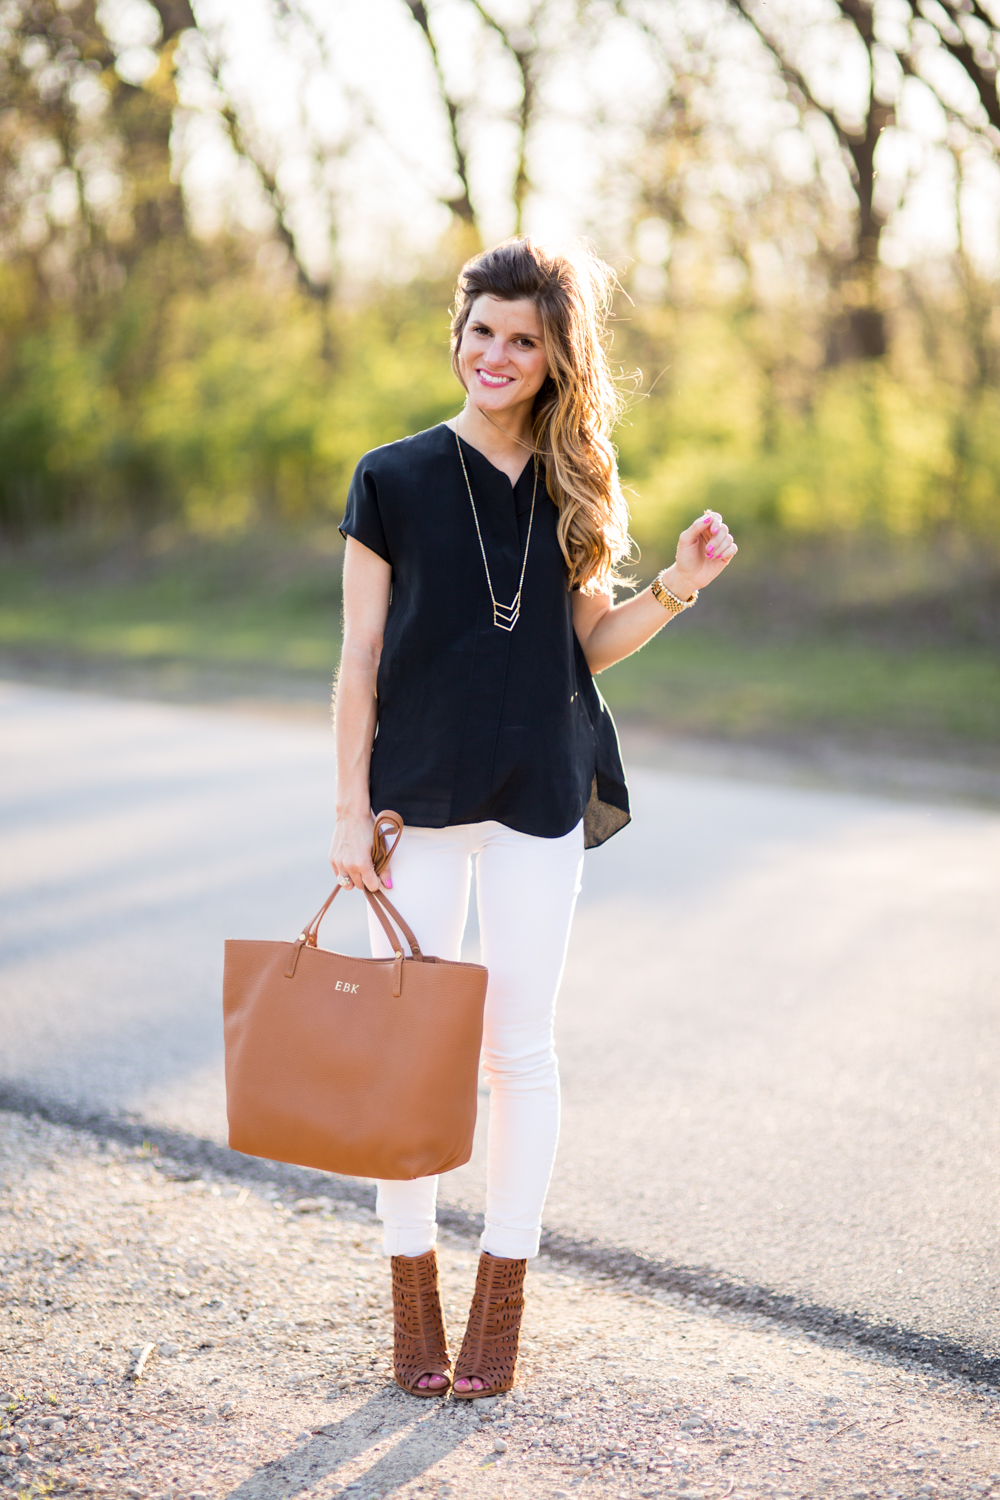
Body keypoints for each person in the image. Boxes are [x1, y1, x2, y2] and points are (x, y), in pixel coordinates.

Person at [330, 237, 737, 1400]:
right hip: (409, 801)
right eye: (481, 332)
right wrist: (347, 812)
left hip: (539, 796)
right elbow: (359, 658)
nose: (496, 356)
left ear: (557, 355)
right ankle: (413, 1302)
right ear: (455, 334)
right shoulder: (391, 476)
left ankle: (498, 1309)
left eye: (523, 339)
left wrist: (676, 588)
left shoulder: (576, 479)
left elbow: (588, 644)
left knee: (518, 1050)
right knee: (413, 1057)